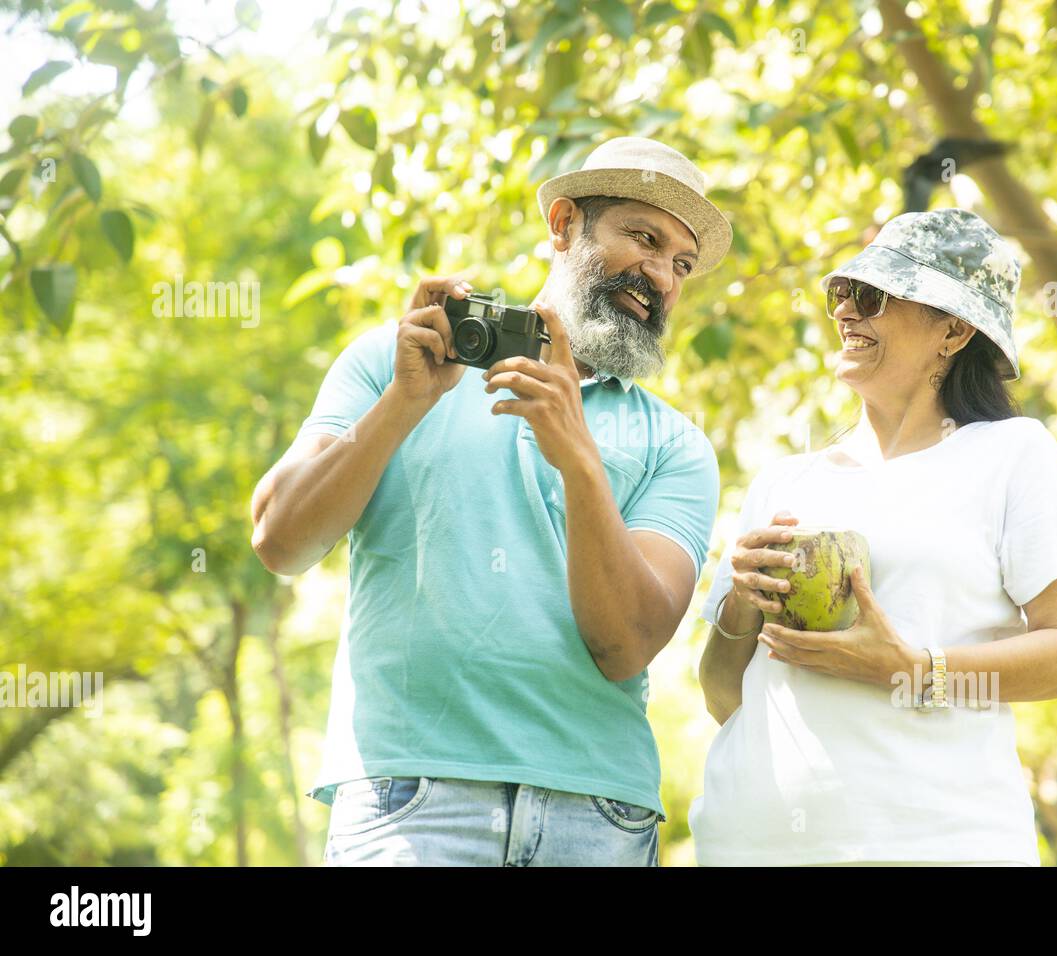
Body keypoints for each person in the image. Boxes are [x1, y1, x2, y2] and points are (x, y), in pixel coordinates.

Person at [250, 136, 732, 866]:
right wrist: (404, 404)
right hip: (407, 802)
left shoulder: (678, 445)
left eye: (682, 263)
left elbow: (627, 643)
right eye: (643, 237)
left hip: (597, 814)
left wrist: (577, 459)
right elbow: (280, 540)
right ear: (565, 224)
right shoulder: (400, 359)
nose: (662, 275)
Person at [691, 208, 1057, 866]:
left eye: (873, 297)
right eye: (842, 295)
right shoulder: (782, 482)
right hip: (750, 848)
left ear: (954, 328)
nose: (847, 314)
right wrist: (742, 604)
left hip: (936, 846)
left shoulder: (1012, 455)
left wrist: (912, 671)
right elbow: (723, 696)